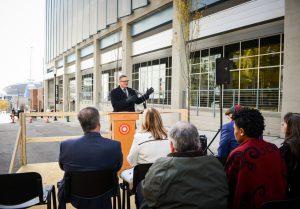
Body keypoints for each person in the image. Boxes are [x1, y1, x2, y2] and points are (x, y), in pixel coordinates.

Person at [139, 121, 229, 209]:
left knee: (141, 188)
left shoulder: (161, 166)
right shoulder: (215, 164)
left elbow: (150, 197)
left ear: (172, 146)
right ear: (198, 143)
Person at [57, 107, 123, 209]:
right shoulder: (114, 146)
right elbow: (118, 167)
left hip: (76, 196)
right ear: (99, 124)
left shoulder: (66, 145)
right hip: (105, 194)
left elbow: (62, 167)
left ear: (81, 125)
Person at [225, 108, 287, 209]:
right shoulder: (274, 148)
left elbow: (227, 187)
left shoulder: (238, 154)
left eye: (234, 128)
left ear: (241, 131)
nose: (234, 132)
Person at [280, 112, 300, 198]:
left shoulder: (287, 148)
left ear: (291, 127)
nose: (282, 124)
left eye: (284, 123)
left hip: (293, 194)